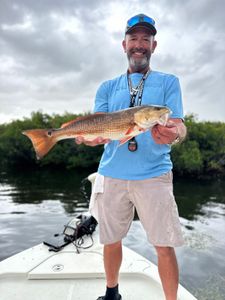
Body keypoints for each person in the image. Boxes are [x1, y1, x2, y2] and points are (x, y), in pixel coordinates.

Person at [76, 13, 187, 300]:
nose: (140, 44)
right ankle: (112, 293)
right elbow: (98, 124)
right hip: (112, 173)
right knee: (111, 240)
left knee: (163, 245)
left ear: (154, 45)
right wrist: (90, 137)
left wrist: (174, 134)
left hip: (154, 175)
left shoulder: (168, 82)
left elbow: (179, 124)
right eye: (134, 39)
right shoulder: (107, 86)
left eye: (145, 39)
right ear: (124, 45)